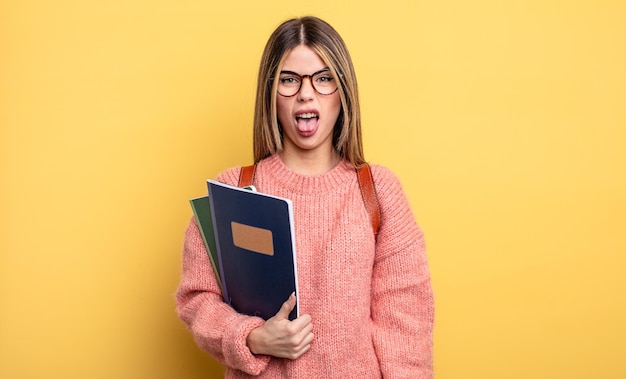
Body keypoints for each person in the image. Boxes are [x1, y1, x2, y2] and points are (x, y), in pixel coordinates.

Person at [176, 16, 434, 378]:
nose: (306, 93)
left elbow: (407, 329)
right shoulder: (233, 190)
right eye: (289, 80)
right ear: (270, 92)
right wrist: (251, 338)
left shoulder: (379, 192)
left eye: (323, 78)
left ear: (343, 92)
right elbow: (197, 299)